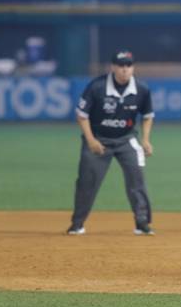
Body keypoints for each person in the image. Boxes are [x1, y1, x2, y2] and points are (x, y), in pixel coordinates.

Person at [66, 51, 156, 236]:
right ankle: (77, 224)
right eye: (121, 65)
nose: (124, 69)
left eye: (128, 65)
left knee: (137, 180)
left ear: (133, 67)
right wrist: (91, 141)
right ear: (113, 67)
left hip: (127, 139)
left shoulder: (141, 89)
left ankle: (142, 223)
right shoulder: (97, 87)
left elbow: (147, 117)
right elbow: (82, 116)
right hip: (99, 139)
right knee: (87, 183)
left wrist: (145, 139)